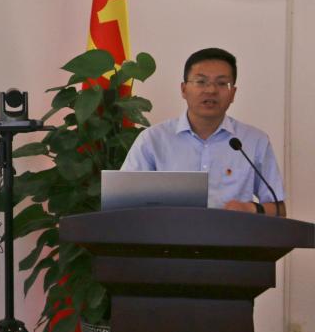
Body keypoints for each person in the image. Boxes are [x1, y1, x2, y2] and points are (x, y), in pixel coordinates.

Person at [121, 47, 286, 216]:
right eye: (201, 82)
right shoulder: (153, 140)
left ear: (233, 93)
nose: (211, 90)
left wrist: (251, 208)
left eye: (222, 83)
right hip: (170, 232)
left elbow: (279, 209)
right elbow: (123, 202)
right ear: (184, 89)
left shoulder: (254, 141)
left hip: (232, 232)